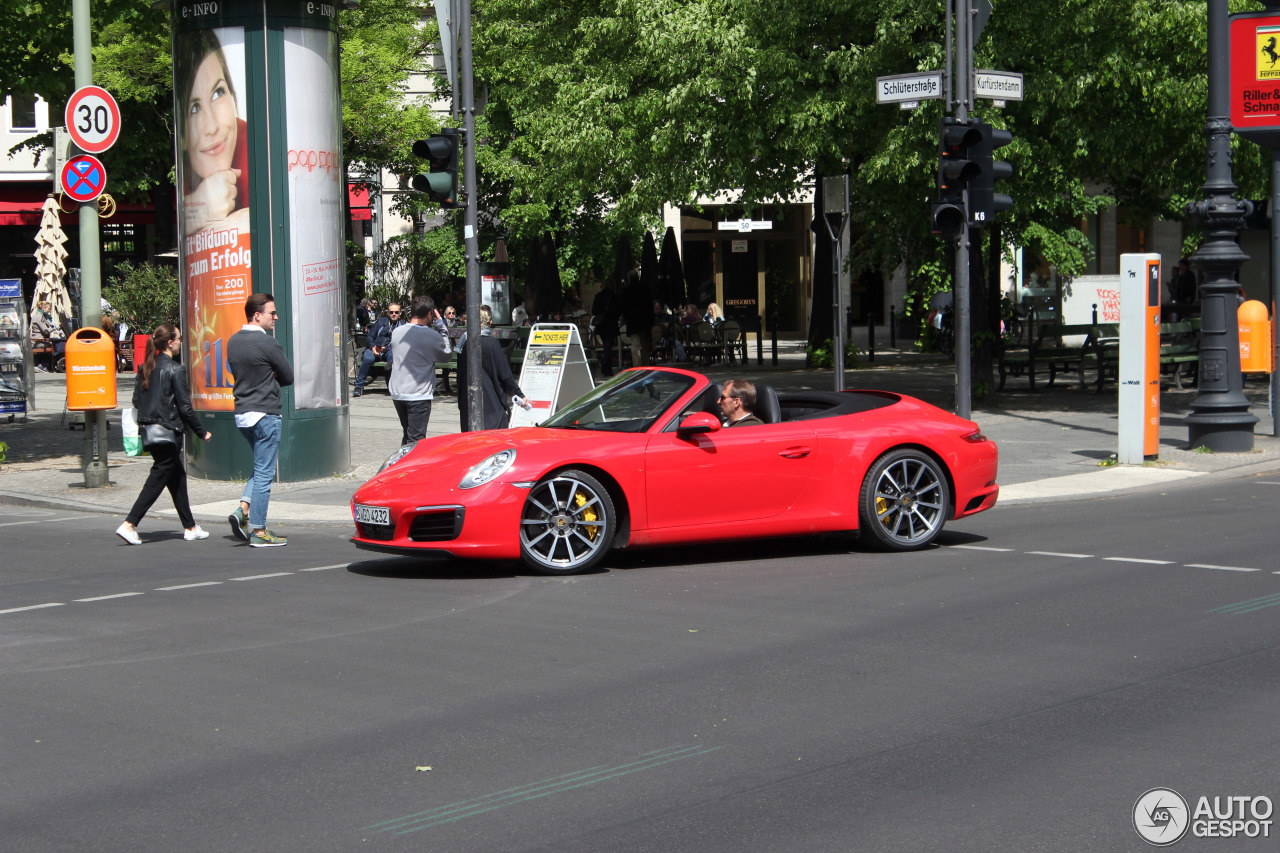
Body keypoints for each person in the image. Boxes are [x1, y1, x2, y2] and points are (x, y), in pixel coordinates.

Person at [115, 324, 213, 545]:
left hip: (150, 432)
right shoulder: (175, 369)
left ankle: (190, 527)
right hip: (169, 432)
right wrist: (201, 431)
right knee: (158, 478)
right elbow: (185, 406)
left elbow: (136, 401)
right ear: (170, 343)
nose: (181, 341)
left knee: (176, 478)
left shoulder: (145, 368)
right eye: (179, 338)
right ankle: (130, 523)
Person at [227, 293, 294, 548]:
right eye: (272, 313)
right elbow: (287, 376)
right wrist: (271, 375)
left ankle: (243, 509)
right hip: (266, 413)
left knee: (260, 466)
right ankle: (259, 530)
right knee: (266, 473)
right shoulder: (268, 344)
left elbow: (238, 372)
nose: (276, 317)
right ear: (257, 315)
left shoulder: (233, 342)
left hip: (242, 413)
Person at [177, 30, 249, 237]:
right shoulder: (182, 174)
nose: (212, 127)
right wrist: (198, 211)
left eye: (218, 93)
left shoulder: (258, 148)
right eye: (194, 109)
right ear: (181, 136)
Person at [389, 295, 452, 445]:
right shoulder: (431, 336)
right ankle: (409, 467)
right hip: (418, 395)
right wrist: (442, 329)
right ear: (430, 314)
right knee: (416, 439)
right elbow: (446, 355)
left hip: (398, 393)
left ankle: (402, 464)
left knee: (408, 435)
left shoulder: (397, 332)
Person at [457, 305, 530, 431]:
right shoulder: (491, 344)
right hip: (491, 406)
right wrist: (520, 395)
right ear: (490, 323)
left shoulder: (463, 344)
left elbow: (460, 375)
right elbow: (505, 374)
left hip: (468, 404)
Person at [353, 302, 403, 396]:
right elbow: (370, 336)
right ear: (388, 313)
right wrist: (373, 347)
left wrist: (389, 348)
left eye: (396, 312)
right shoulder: (380, 322)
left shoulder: (402, 325)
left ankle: (391, 386)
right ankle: (358, 387)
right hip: (374, 347)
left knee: (392, 359)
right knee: (368, 358)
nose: (394, 314)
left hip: (389, 350)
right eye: (391, 312)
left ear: (400, 313)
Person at [591, 283, 622, 376]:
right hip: (611, 324)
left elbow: (594, 311)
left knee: (606, 345)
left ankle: (605, 367)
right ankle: (606, 367)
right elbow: (619, 311)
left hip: (601, 325)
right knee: (608, 346)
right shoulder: (615, 296)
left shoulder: (598, 296)